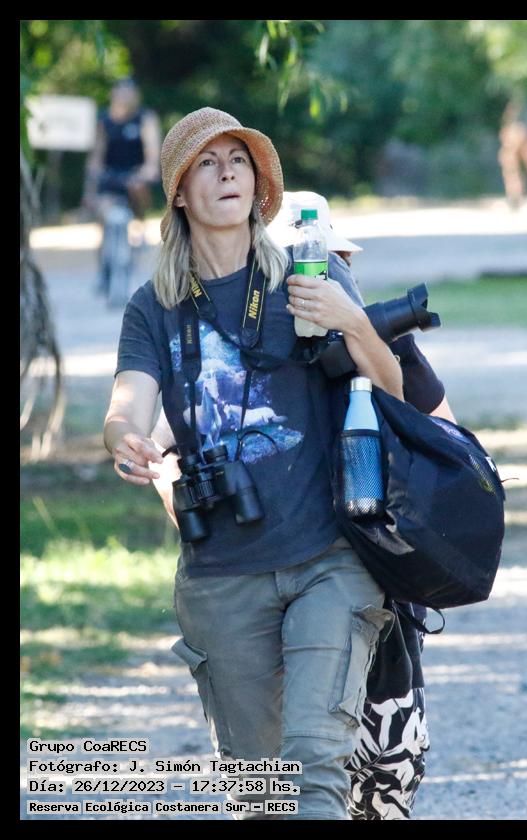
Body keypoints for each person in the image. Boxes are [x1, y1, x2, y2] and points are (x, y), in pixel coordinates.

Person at [104, 106, 425, 820]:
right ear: (179, 193)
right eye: (207, 163)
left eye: (238, 161)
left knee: (314, 758)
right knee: (259, 791)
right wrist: (124, 435)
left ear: (258, 185)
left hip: (329, 557)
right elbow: (129, 400)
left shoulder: (310, 275)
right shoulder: (154, 306)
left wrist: (349, 319)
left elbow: (393, 392)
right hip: (221, 573)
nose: (226, 174)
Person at [150, 189, 456, 819]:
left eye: (337, 262)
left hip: (355, 568)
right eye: (312, 263)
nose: (328, 276)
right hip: (254, 571)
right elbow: (162, 450)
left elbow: (446, 439)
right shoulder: (229, 347)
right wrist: (190, 504)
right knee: (271, 770)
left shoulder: (381, 340)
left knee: (375, 765)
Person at [82, 78, 162, 295]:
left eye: (129, 93)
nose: (125, 97)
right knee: (103, 215)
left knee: (139, 188)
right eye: (121, 93)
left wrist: (148, 169)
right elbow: (96, 156)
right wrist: (91, 186)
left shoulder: (144, 118)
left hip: (134, 175)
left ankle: (141, 227)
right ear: (113, 95)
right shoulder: (104, 120)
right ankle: (103, 270)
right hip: (110, 176)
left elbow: (151, 151)